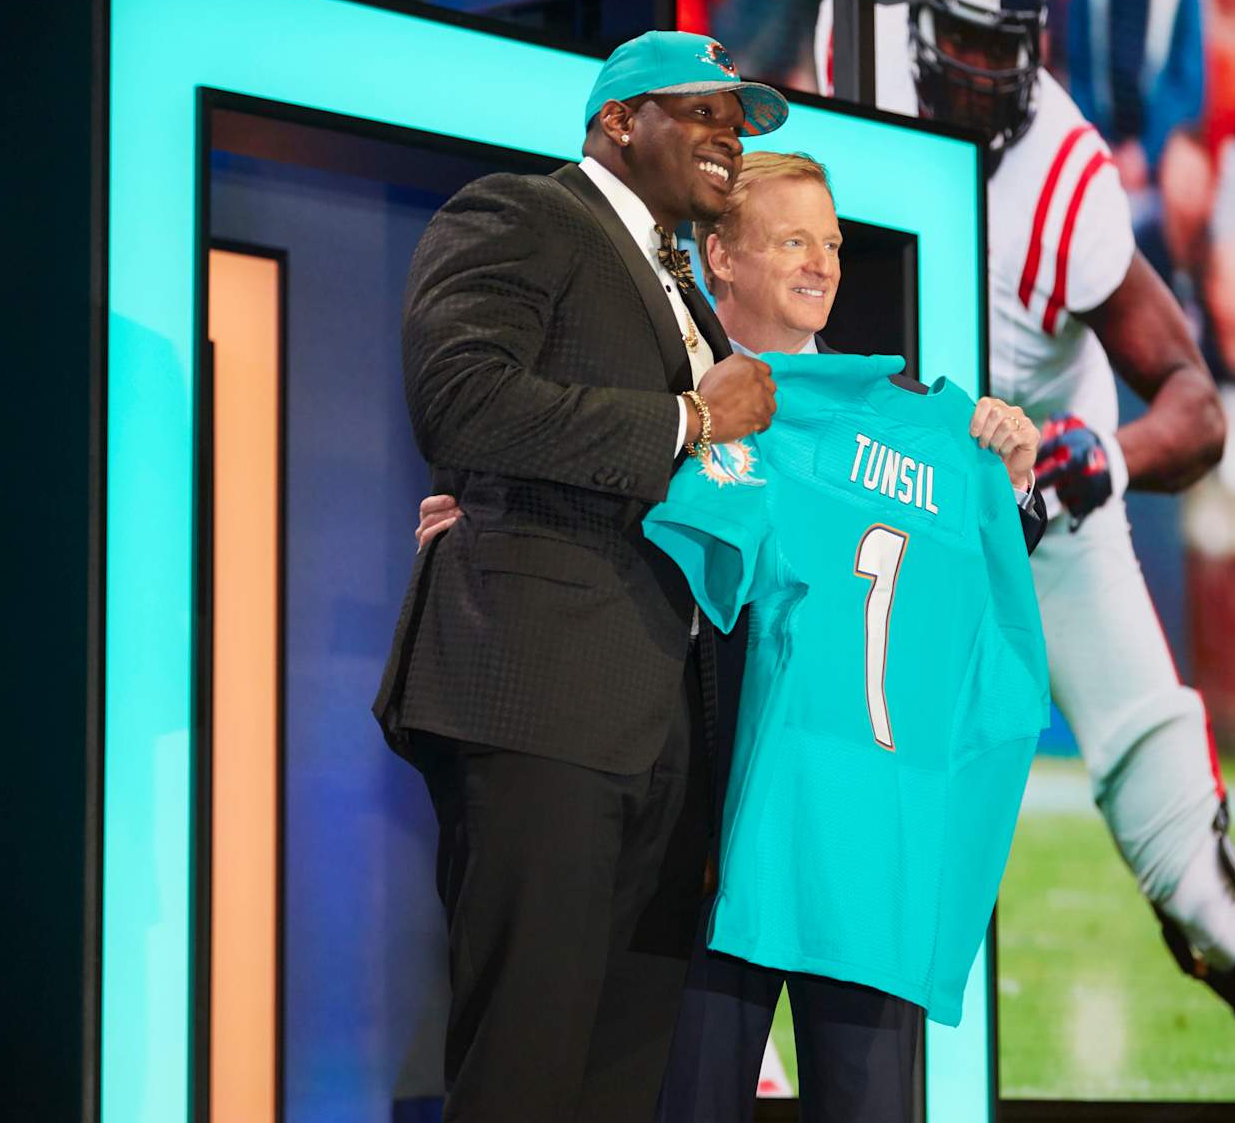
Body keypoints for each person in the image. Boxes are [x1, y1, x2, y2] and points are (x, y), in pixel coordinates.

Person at [417, 151, 1048, 1121]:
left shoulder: (917, 419)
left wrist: (1006, 479)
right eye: (794, 239)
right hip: (706, 836)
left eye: (832, 243)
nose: (823, 263)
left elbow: (969, 578)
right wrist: (497, 517)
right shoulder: (680, 403)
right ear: (720, 255)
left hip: (859, 835)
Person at [817, 0, 1235, 1021]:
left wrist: (1097, 462)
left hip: (1039, 506)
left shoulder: (1068, 180)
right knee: (814, 773)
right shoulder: (855, 45)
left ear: (1035, 48)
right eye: (959, 38)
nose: (975, 70)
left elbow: (1198, 410)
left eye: (999, 47)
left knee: (1203, 893)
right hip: (887, 482)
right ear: (920, 20)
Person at [371, 30, 787, 1121]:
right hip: (545, 703)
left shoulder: (687, 297)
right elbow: (459, 398)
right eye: (704, 113)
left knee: (617, 1081)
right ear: (619, 122)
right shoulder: (526, 213)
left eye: (737, 124)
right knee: (524, 1066)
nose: (728, 140)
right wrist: (688, 419)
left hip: (666, 737)